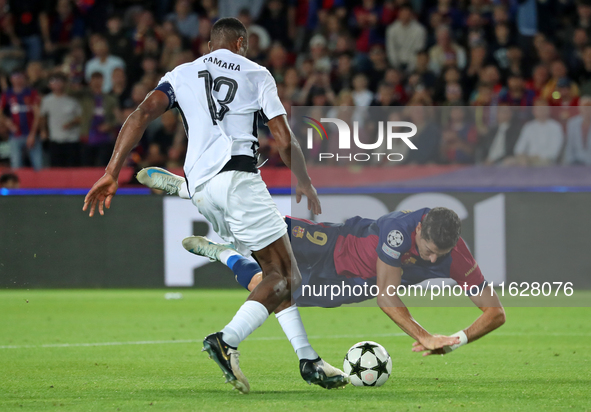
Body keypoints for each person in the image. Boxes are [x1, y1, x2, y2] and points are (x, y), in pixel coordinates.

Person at [83, 18, 346, 394]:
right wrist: (303, 178)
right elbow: (283, 139)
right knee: (286, 277)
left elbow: (140, 115)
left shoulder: (182, 72)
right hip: (238, 179)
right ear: (241, 43)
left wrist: (111, 172)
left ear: (209, 45)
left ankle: (308, 359)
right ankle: (227, 339)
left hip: (206, 189)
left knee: (269, 278)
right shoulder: (257, 73)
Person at [137, 175, 505, 358]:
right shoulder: (401, 230)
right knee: (262, 226)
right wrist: (424, 335)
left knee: (265, 291)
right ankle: (188, 189)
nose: (430, 260)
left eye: (439, 255)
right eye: (426, 250)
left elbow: (495, 312)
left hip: (347, 284)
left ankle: (223, 255)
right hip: (333, 241)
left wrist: (454, 341)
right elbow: (388, 296)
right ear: (420, 228)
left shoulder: (455, 255)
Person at [0, 69, 42, 170]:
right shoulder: (7, 94)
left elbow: (37, 115)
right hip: (15, 135)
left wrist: (33, 134)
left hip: (31, 135)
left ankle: (41, 185)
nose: (18, 80)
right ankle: (19, 185)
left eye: (20, 77)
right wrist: (7, 122)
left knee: (39, 166)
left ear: (24, 78)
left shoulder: (31, 93)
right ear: (11, 79)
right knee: (16, 165)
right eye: (15, 77)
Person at [39, 72, 82, 167]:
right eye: (53, 81)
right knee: (56, 168)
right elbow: (42, 117)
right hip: (55, 139)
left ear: (65, 83)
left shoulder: (73, 99)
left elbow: (81, 117)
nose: (57, 84)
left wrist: (71, 123)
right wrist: (43, 131)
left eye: (59, 81)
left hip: (72, 139)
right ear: (49, 85)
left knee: (72, 168)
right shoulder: (47, 100)